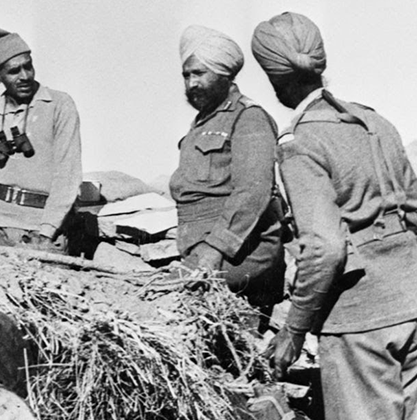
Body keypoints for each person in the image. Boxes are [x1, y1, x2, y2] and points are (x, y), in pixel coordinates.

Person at [253, 12, 417, 419]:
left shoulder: (300, 141)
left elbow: (326, 249)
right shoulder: (377, 123)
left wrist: (293, 332)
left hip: (361, 321)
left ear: (274, 78)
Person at [170, 25, 286, 308]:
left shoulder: (248, 118)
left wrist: (214, 248)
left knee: (171, 300)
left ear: (225, 74)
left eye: (199, 73)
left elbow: (253, 192)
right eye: (187, 75)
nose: (191, 84)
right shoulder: (201, 124)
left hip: (242, 251)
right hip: (201, 246)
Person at [0, 27, 82, 253]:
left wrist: (47, 232)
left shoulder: (59, 105)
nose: (25, 76)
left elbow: (67, 175)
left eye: (28, 66)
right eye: (14, 71)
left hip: (40, 230)